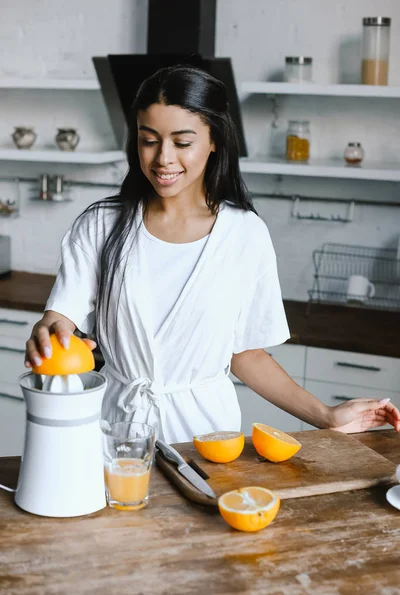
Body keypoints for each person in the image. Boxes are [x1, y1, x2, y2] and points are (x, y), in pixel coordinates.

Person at [25, 66, 400, 443]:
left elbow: (246, 355)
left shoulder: (244, 235)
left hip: (204, 439)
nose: (163, 158)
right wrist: (48, 334)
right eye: (149, 139)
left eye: (182, 142)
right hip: (113, 434)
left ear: (214, 140)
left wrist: (327, 415)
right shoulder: (100, 226)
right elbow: (60, 318)